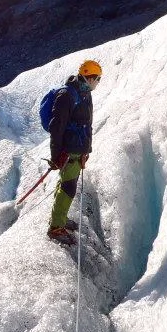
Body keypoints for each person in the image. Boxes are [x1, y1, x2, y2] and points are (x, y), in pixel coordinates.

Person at [46, 59, 102, 245]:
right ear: (90, 77)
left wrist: (87, 150)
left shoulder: (85, 94)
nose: (98, 82)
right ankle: (56, 227)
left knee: (66, 184)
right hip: (68, 151)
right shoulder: (67, 96)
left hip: (78, 150)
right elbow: (57, 127)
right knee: (68, 187)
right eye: (98, 79)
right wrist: (56, 156)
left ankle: (59, 218)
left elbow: (87, 124)